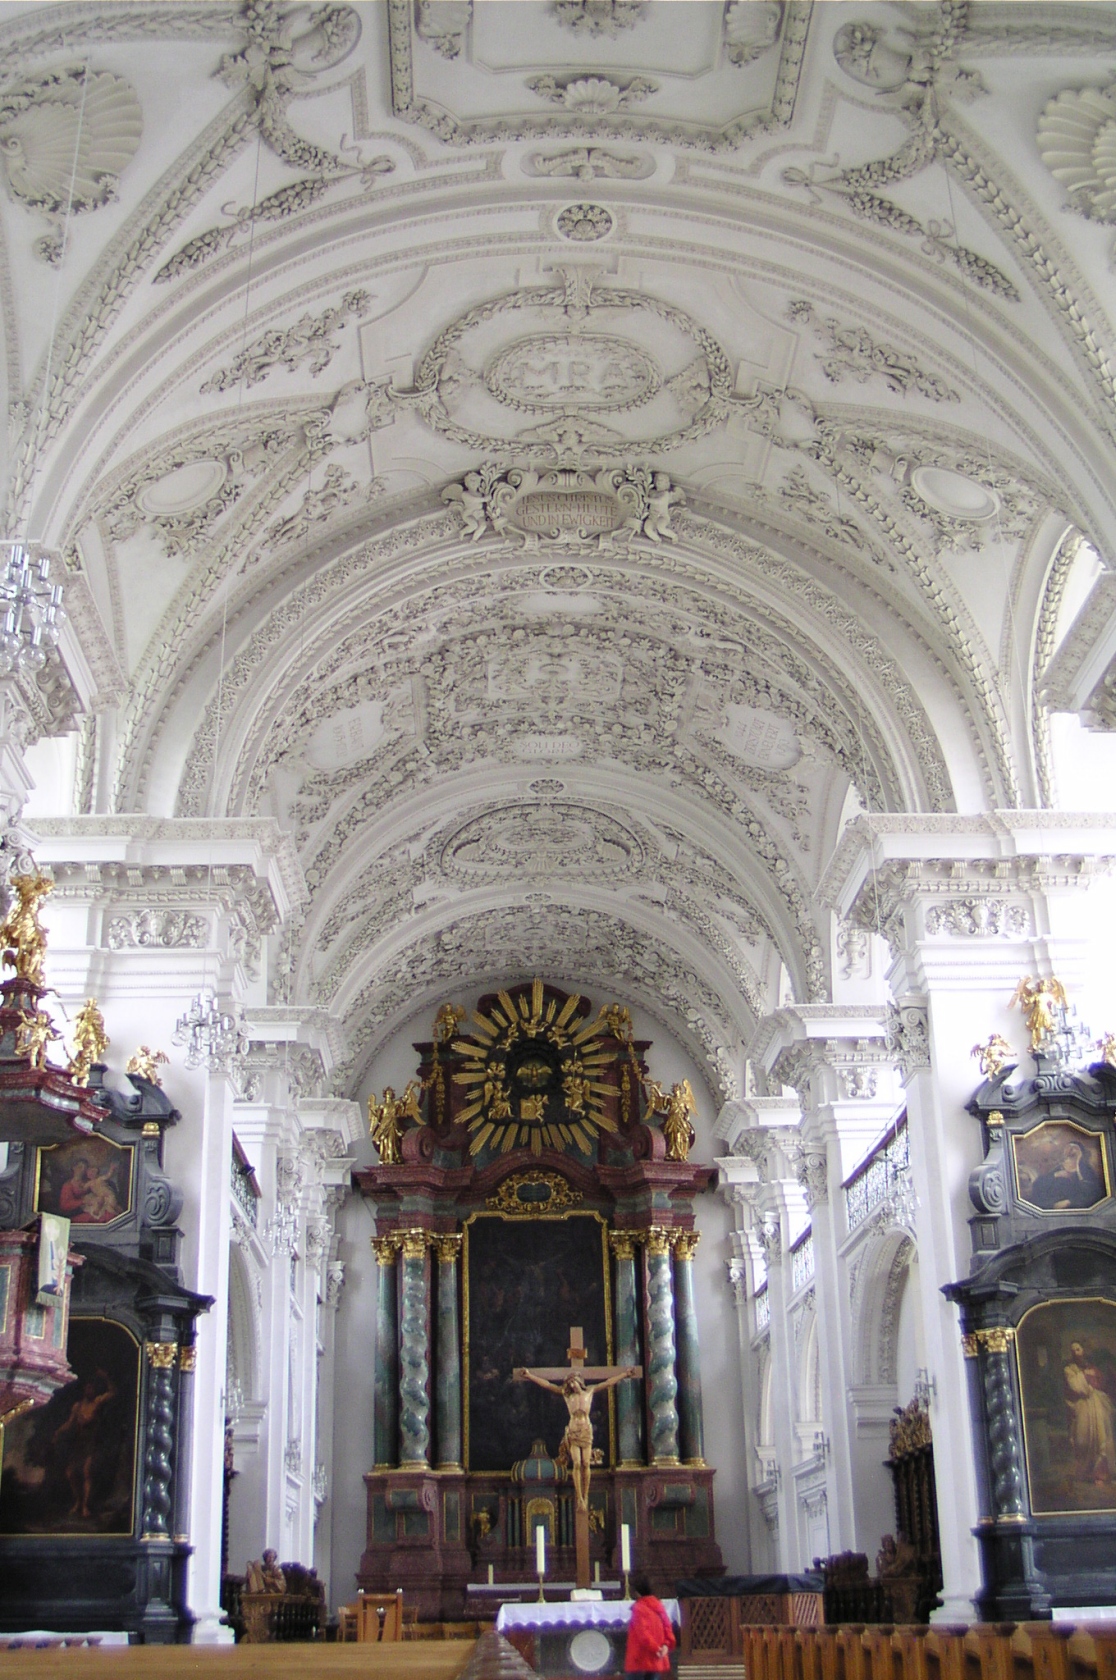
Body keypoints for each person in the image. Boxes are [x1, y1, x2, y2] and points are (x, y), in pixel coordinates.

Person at [625, 1575, 676, 1680]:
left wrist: (655, 1648)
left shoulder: (639, 1608)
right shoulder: (659, 1606)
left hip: (639, 1657)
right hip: (657, 1656)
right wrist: (665, 1645)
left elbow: (643, 1634)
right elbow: (667, 1627)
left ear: (637, 1593)